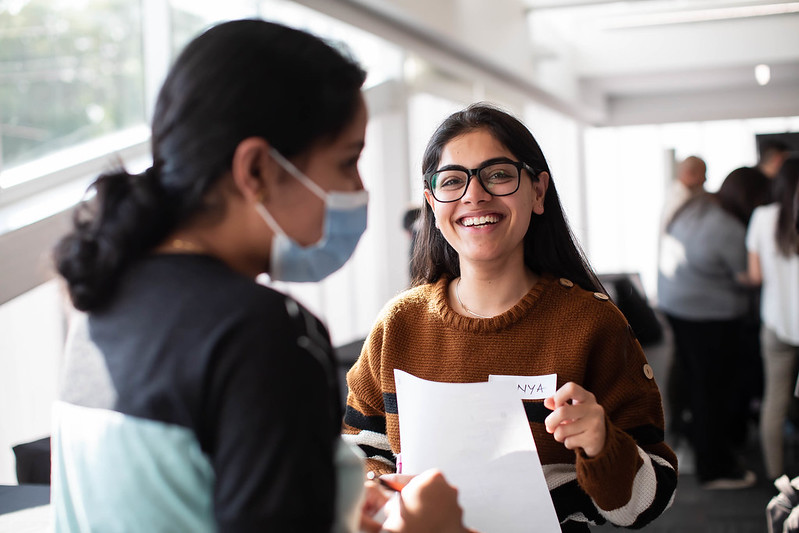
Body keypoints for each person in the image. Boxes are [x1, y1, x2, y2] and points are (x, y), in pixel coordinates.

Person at [50, 19, 467, 533]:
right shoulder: (262, 332)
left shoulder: (104, 302)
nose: (359, 188)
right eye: (346, 161)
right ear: (256, 170)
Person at [343, 103, 677, 532]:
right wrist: (376, 486)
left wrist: (601, 445)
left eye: (498, 174)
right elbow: (359, 447)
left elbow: (651, 499)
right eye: (451, 181)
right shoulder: (399, 324)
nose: (473, 195)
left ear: (538, 192)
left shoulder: (593, 324)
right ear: (432, 204)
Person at [658, 167, 768, 489]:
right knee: (713, 389)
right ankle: (714, 468)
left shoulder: (699, 204)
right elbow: (748, 277)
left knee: (697, 381)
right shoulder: (729, 228)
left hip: (677, 306)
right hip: (707, 315)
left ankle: (695, 439)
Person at [743, 157, 799, 480]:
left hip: (776, 323)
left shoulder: (762, 218)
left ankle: (779, 481)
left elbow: (756, 275)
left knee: (774, 403)